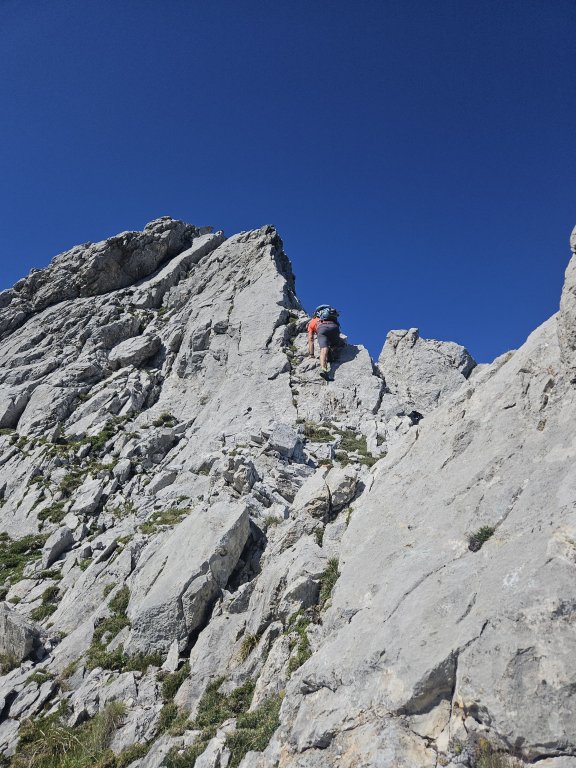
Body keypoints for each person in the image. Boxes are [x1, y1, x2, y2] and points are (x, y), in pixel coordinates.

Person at [307, 305, 341, 380]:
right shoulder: (329, 317)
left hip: (322, 329)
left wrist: (311, 354)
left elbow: (311, 339)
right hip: (334, 327)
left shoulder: (312, 322)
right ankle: (333, 354)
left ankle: (323, 369)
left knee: (323, 349)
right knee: (335, 344)